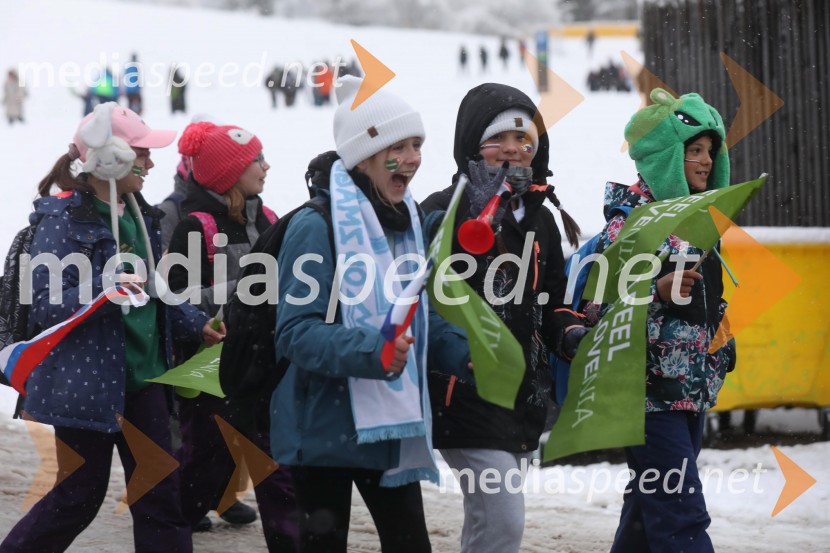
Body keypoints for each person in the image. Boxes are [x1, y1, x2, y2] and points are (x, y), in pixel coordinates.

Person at [0, 102, 223, 553]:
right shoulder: (63, 220)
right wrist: (102, 290)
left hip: (144, 381)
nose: (150, 162)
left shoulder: (140, 216)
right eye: (141, 153)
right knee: (79, 496)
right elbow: (45, 304)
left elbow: (155, 288)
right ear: (110, 157)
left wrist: (197, 325)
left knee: (162, 498)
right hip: (86, 383)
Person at [271, 75, 467, 553]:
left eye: (418, 144)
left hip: (389, 427)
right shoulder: (314, 226)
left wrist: (467, 352)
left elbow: (416, 316)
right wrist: (373, 350)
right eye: (399, 146)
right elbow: (295, 332)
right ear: (365, 155)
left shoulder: (408, 222)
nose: (414, 158)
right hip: (319, 429)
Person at [420, 83, 587, 553]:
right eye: (498, 139)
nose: (513, 149)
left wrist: (571, 331)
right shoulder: (442, 209)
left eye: (524, 140)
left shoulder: (541, 218)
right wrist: (459, 352)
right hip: (464, 390)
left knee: (488, 525)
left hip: (520, 392)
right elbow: (419, 296)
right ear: (472, 144)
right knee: (503, 522)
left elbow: (551, 302)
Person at [586, 88, 736, 553]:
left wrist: (722, 343)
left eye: (710, 151)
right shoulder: (631, 218)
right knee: (681, 516)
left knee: (646, 516)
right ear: (666, 154)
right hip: (645, 395)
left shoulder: (698, 217)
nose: (706, 160)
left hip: (687, 388)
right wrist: (658, 291)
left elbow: (708, 301)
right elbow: (603, 303)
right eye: (694, 150)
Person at [167, 121, 298, 551]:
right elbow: (173, 298)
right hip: (210, 367)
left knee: (273, 466)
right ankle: (168, 528)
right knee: (208, 462)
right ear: (230, 172)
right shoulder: (195, 226)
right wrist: (240, 294)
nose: (266, 166)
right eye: (256, 160)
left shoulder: (273, 219)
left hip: (261, 365)